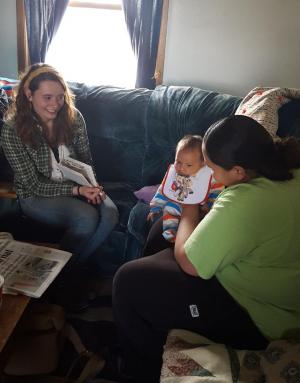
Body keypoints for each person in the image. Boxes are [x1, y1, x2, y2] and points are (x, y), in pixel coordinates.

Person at [112, 115, 300, 382]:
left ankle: (140, 369)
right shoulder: (285, 171)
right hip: (261, 273)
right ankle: (151, 321)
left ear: (238, 171)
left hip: (260, 317)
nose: (208, 175)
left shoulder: (247, 200)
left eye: (211, 168)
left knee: (127, 282)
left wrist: (190, 202)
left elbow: (190, 263)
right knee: (158, 233)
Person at [1, 63, 119, 267]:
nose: (55, 104)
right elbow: (33, 184)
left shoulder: (74, 117)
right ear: (29, 95)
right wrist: (78, 190)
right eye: (47, 97)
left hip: (77, 184)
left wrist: (91, 185)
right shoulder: (12, 130)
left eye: (60, 96)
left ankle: (64, 275)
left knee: (110, 214)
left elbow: (85, 160)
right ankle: (65, 279)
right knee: (86, 217)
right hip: (35, 194)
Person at [145, 135, 223, 254]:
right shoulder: (174, 174)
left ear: (202, 163)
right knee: (169, 212)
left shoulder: (208, 176)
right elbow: (162, 190)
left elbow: (216, 190)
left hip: (198, 209)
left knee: (202, 224)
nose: (181, 168)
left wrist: (210, 204)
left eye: (189, 165)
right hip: (175, 204)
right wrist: (155, 207)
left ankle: (186, 245)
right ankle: (171, 238)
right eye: (178, 162)